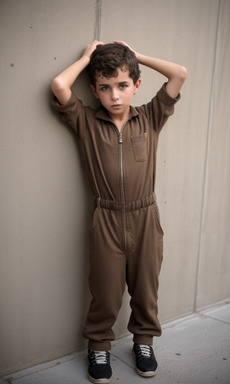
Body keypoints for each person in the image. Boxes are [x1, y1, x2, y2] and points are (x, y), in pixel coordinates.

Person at [51, 40, 187, 384]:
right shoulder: (86, 121)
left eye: (123, 85)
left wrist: (135, 55)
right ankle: (99, 346)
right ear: (95, 91)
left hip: (145, 217)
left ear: (136, 86)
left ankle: (143, 342)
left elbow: (179, 73)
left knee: (146, 287)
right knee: (106, 290)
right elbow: (59, 86)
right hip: (107, 219)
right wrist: (85, 58)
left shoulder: (151, 117)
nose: (114, 95)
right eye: (105, 88)